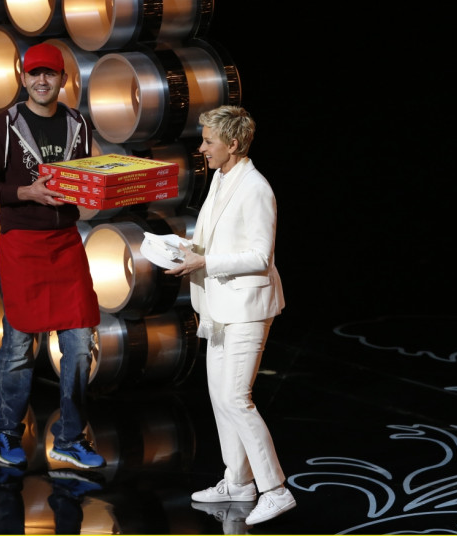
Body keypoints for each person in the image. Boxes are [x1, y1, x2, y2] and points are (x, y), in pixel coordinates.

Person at [0, 42, 105, 471]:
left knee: (81, 345)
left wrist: (109, 186)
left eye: (50, 73)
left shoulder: (78, 124)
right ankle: (6, 433)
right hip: (22, 244)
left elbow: (83, 180)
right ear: (23, 79)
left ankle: (70, 437)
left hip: (65, 243)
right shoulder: (3, 126)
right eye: (34, 74)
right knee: (17, 347)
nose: (42, 80)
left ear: (64, 79)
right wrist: (25, 192)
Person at [165, 105, 296, 525]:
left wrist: (203, 263)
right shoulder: (223, 179)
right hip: (219, 306)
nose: (201, 148)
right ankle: (238, 482)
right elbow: (216, 239)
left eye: (208, 141)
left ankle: (275, 489)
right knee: (221, 399)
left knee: (238, 399)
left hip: (245, 309)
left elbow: (259, 255)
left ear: (233, 144)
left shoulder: (255, 187)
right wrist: (185, 251)